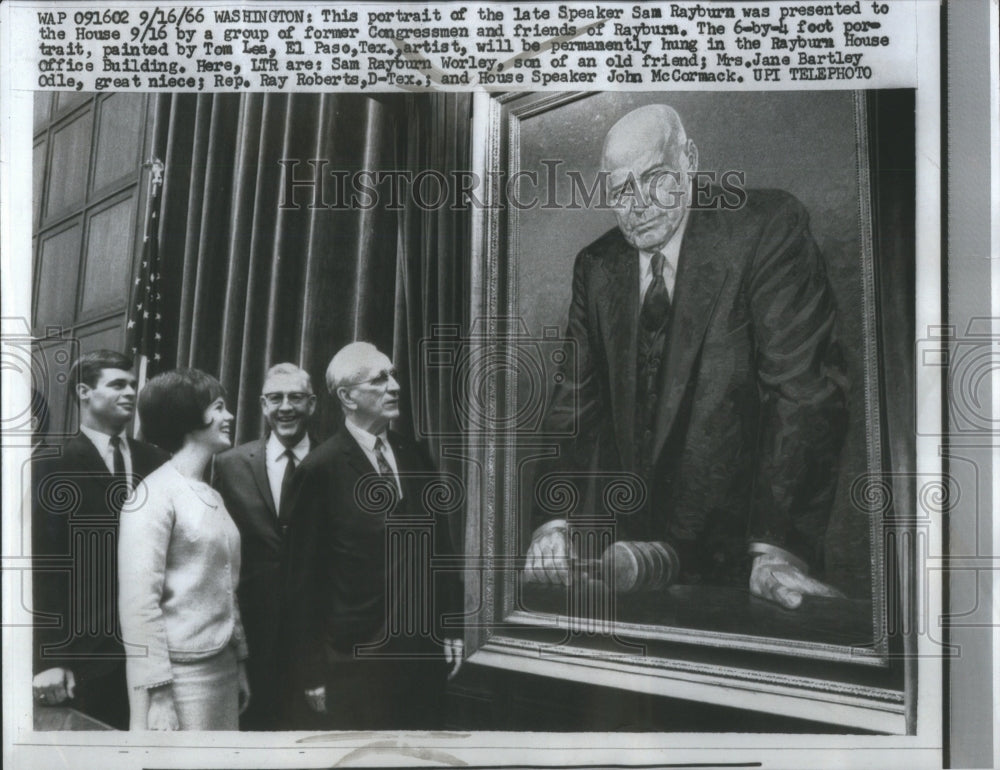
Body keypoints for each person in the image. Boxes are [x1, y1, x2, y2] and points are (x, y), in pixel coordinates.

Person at [523, 104, 848, 609]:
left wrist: (777, 549)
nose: (639, 205)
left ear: (689, 160)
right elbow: (572, 407)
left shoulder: (765, 226)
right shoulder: (597, 266)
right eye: (620, 191)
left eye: (654, 179)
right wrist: (551, 523)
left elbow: (802, 390)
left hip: (750, 564)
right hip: (635, 563)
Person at [283, 342, 463, 729]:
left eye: (393, 374)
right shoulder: (320, 470)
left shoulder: (414, 454)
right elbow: (303, 581)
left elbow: (440, 547)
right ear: (347, 397)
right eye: (380, 379)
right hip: (355, 664)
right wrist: (312, 671)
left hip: (424, 657)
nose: (394, 386)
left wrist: (451, 627)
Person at [32, 350, 168, 729]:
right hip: (85, 658)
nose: (130, 392)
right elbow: (44, 568)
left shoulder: (156, 461)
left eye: (132, 385)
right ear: (84, 392)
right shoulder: (51, 464)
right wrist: (48, 659)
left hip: (151, 653)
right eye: (118, 384)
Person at [118, 369, 250, 730]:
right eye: (219, 408)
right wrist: (158, 694)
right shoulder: (152, 495)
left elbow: (226, 585)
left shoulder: (211, 494)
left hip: (220, 668)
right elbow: (138, 603)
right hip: (175, 678)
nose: (229, 417)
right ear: (188, 417)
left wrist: (238, 662)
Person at [213, 363, 317, 730]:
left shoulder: (334, 461)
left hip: (316, 645)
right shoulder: (229, 466)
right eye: (276, 398)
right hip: (250, 644)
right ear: (262, 405)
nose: (285, 406)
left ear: (313, 404)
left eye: (296, 397)